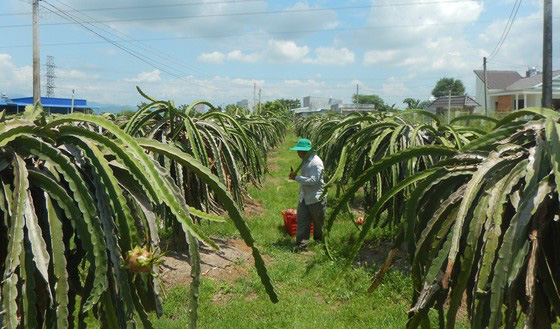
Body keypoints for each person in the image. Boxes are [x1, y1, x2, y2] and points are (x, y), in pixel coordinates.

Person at [288, 138, 326, 252]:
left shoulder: (316, 163)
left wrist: (297, 178)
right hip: (305, 196)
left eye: (299, 150)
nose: (297, 153)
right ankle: (301, 245)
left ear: (305, 151)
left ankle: (320, 241)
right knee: (302, 220)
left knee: (318, 222)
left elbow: (313, 180)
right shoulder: (305, 160)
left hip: (316, 197)